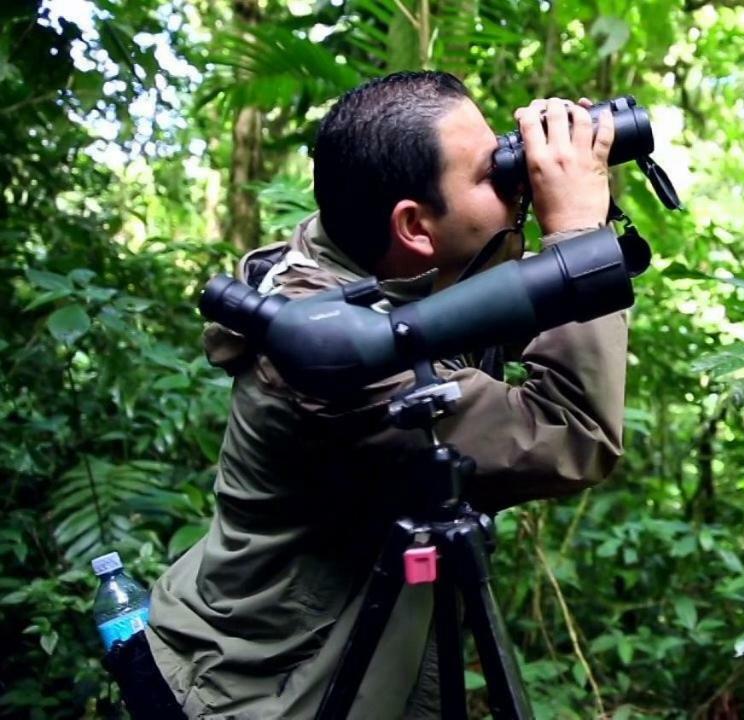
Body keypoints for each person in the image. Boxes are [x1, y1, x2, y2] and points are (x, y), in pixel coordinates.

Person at [140, 71, 628, 718]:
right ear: (414, 225)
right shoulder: (333, 356)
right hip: (267, 698)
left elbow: (499, 314)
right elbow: (571, 434)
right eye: (493, 174)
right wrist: (576, 232)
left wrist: (570, 188)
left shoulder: (377, 257)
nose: (519, 181)